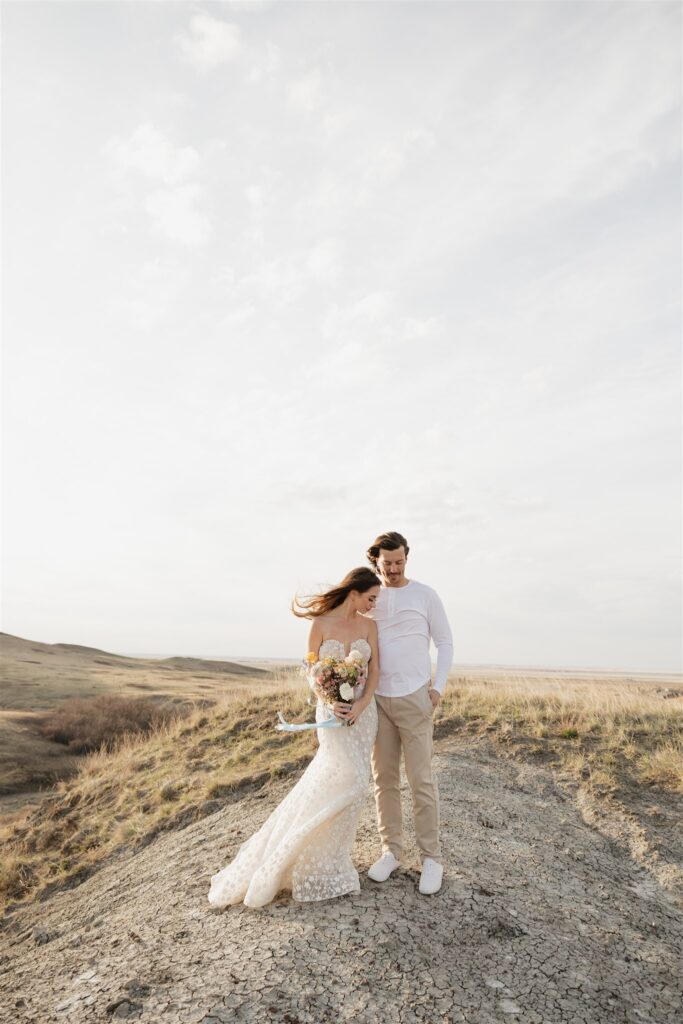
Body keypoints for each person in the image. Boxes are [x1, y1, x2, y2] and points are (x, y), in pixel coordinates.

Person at [207, 567, 380, 909]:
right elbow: (313, 672)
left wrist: (359, 703)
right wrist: (332, 702)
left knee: (357, 785)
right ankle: (296, 849)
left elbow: (375, 670)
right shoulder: (320, 624)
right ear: (355, 592)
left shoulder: (369, 626)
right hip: (330, 713)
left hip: (363, 714)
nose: (374, 605)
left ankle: (332, 860)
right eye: (371, 597)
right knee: (345, 779)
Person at [364, 531, 453, 895]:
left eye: (400, 562)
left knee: (421, 781)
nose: (394, 569)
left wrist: (437, 689)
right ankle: (391, 852)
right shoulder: (370, 596)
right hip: (378, 701)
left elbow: (445, 642)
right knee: (384, 780)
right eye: (387, 564)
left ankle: (431, 859)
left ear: (406, 558)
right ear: (376, 562)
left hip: (415, 698)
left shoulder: (426, 595)